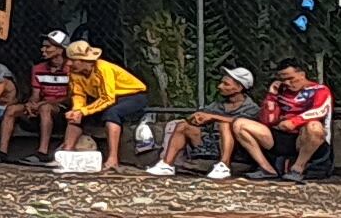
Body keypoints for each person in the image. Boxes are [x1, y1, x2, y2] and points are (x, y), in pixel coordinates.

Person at [148, 67, 269, 179]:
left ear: (239, 87)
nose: (220, 86)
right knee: (183, 126)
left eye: (226, 84)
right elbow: (200, 116)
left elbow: (244, 123)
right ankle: (166, 164)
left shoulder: (252, 108)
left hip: (236, 151)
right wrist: (196, 117)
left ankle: (224, 165)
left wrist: (213, 117)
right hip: (209, 145)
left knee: (225, 125)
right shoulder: (217, 105)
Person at [63, 38, 154, 171]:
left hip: (132, 96)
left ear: (85, 60)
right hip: (107, 99)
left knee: (112, 113)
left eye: (73, 60)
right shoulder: (75, 73)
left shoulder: (103, 69)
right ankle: (66, 153)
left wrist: (84, 111)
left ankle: (113, 159)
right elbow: (78, 94)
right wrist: (77, 110)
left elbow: (107, 98)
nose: (69, 63)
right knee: (75, 116)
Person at [258, 64, 335, 180]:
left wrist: (294, 122)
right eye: (283, 80)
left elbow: (320, 110)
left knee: (314, 127)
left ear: (302, 75)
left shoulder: (320, 90)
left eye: (291, 79)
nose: (287, 83)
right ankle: (266, 168)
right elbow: (268, 121)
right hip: (281, 136)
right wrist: (271, 96)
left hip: (305, 138)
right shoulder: (281, 91)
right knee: (241, 125)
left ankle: (298, 168)